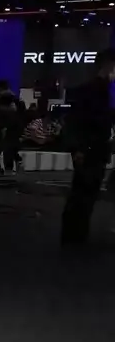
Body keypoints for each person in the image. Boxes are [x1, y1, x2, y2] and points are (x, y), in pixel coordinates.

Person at [61, 49, 115, 245]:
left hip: (92, 150)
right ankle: (74, 236)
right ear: (108, 66)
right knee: (83, 195)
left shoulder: (100, 91)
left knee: (85, 194)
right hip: (90, 150)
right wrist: (79, 149)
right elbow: (79, 122)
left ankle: (76, 235)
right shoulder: (93, 91)